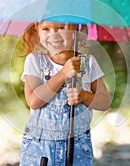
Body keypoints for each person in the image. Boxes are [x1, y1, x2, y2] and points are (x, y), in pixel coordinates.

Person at [20, 21, 110, 166]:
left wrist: (84, 96)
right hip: (40, 145)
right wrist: (63, 73)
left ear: (75, 29)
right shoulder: (35, 61)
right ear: (37, 30)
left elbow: (104, 102)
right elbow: (34, 101)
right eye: (46, 29)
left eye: (61, 28)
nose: (53, 35)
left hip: (78, 145)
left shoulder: (88, 63)